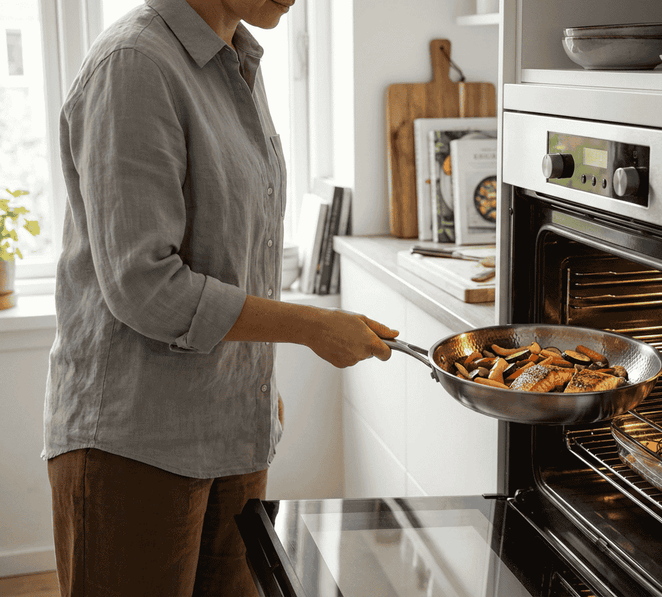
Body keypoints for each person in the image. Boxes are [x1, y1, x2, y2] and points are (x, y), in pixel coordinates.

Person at [42, 0, 399, 595]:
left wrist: (252, 382)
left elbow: (234, 252)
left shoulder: (235, 61)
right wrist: (311, 327)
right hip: (134, 442)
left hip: (231, 431)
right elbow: (146, 287)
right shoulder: (135, 63)